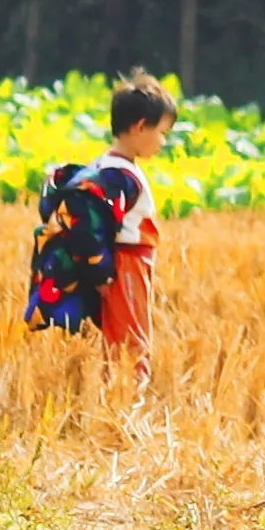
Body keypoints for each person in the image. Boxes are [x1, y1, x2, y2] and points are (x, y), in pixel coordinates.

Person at [92, 70, 178, 387]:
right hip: (127, 265)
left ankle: (115, 400)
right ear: (141, 126)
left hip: (123, 266)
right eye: (162, 132)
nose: (163, 141)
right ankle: (128, 407)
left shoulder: (108, 166)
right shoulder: (121, 175)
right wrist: (102, 271)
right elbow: (102, 225)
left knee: (118, 340)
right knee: (132, 340)